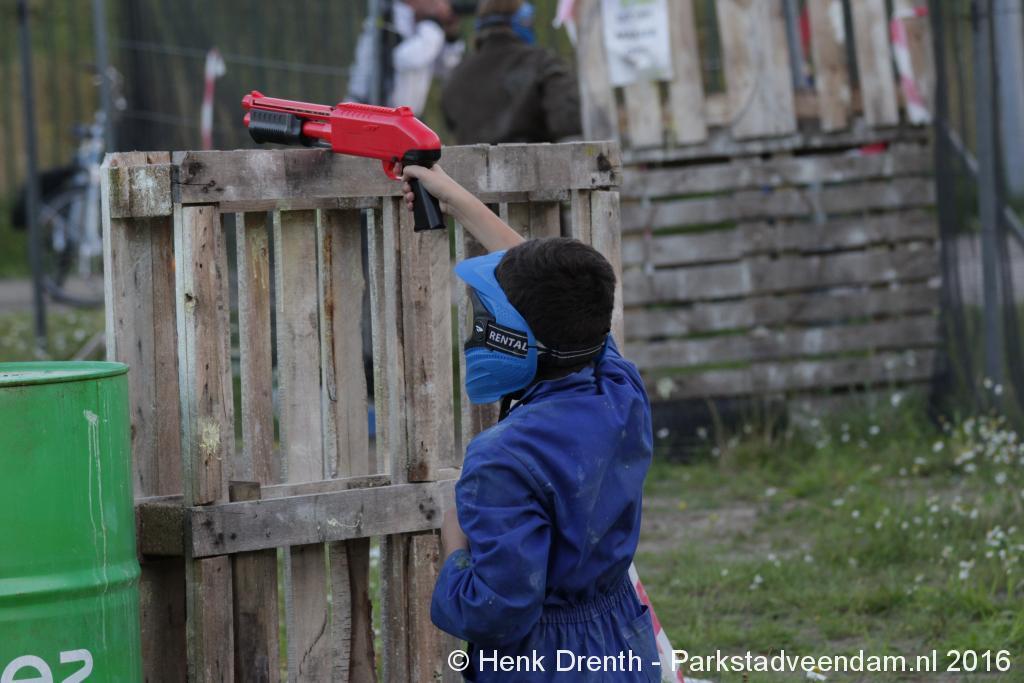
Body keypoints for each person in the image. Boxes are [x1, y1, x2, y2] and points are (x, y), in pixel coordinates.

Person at [398, 163, 659, 682]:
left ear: (520, 340)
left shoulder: (503, 457)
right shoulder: (618, 385)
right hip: (624, 642)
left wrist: (454, 547)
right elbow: (556, 296)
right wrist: (455, 197)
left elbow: (498, 610)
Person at [441, 0, 583, 145]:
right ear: (523, 20)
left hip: (473, 160)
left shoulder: (456, 76)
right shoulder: (542, 64)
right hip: (536, 158)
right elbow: (570, 122)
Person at [347, 0, 464, 115]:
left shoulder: (422, 25)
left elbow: (445, 69)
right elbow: (405, 59)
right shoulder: (389, 18)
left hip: (403, 117)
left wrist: (451, 37)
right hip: (367, 111)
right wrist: (433, 26)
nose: (441, 4)